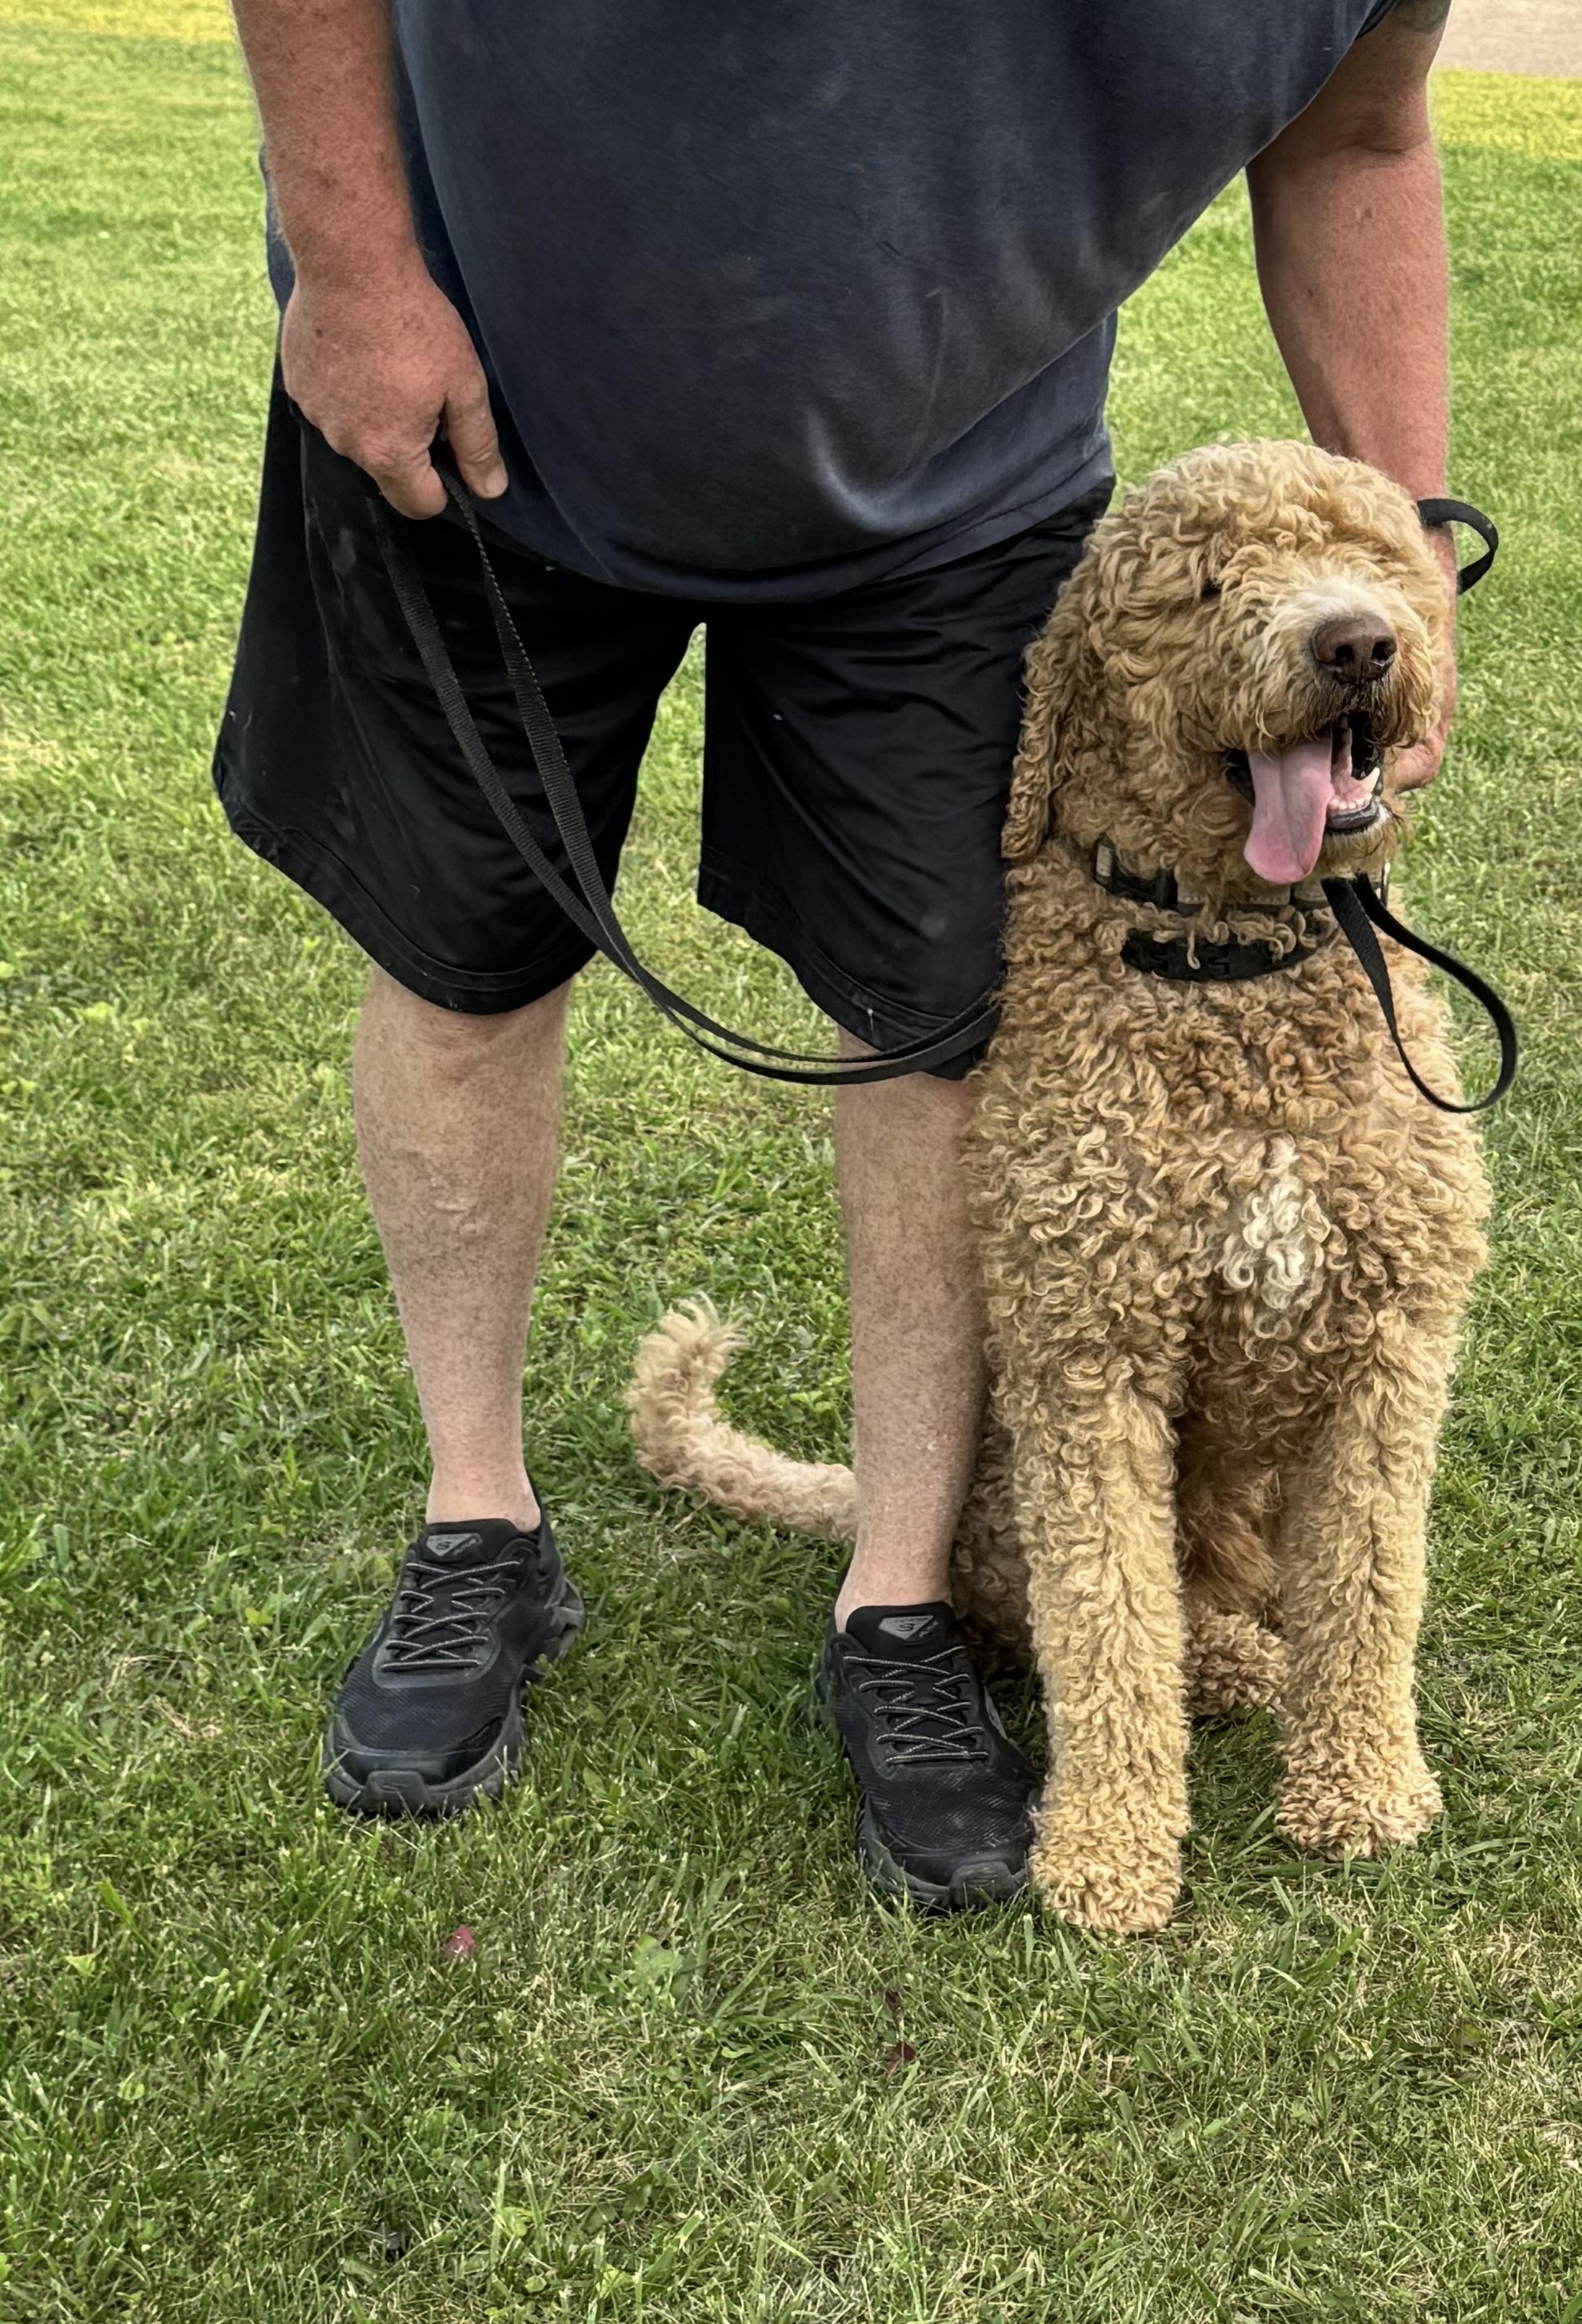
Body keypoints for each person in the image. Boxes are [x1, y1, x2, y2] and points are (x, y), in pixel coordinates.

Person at [216, 0, 1465, 1905]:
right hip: (477, 405)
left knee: (940, 1015)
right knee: (461, 960)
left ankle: (903, 1600)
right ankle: (480, 1521)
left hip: (961, 485)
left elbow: (1358, 149)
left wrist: (1406, 562)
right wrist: (357, 264)